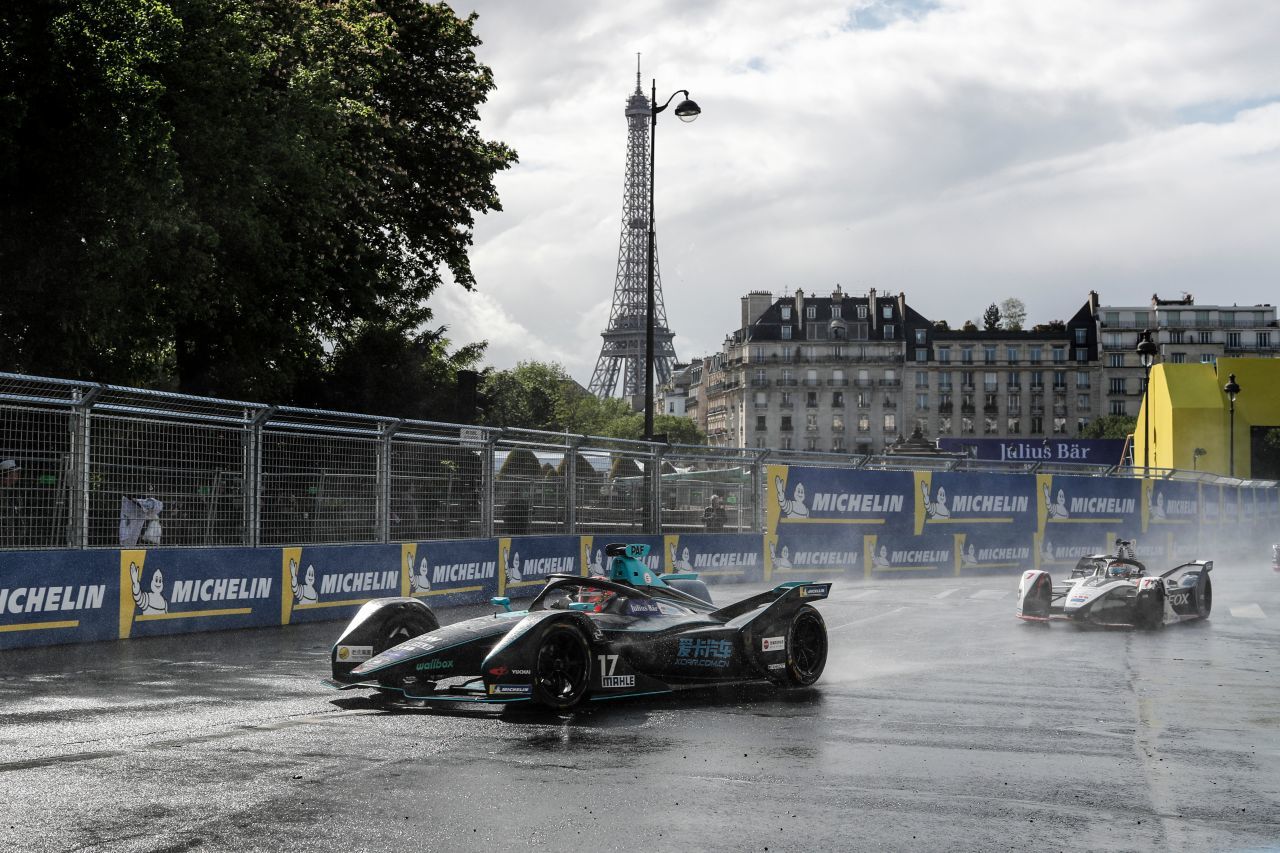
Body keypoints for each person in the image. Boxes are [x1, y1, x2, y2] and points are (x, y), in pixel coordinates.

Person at [0, 459, 23, 547]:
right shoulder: (4, 490)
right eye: (14, 473)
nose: (17, 476)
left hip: (12, 531)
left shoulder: (14, 490)